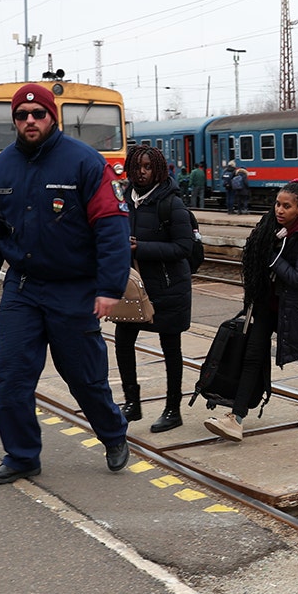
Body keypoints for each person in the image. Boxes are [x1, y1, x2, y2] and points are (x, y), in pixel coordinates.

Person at [0, 84, 130, 485]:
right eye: (22, 116)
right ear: (15, 121)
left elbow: (111, 228)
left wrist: (109, 288)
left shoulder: (85, 163)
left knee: (84, 377)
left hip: (74, 289)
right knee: (9, 376)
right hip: (23, 288)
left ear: (52, 117)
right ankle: (21, 456)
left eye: (38, 114)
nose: (30, 121)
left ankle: (113, 434)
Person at [204, 179, 298, 440]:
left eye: (286, 206)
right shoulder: (274, 230)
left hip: (296, 309)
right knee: (253, 356)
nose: (279, 210)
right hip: (269, 305)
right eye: (277, 204)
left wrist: (273, 260)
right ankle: (236, 417)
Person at [115, 145, 195, 432]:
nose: (142, 172)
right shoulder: (125, 198)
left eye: (148, 167)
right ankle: (131, 403)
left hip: (168, 287)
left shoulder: (171, 203)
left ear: (158, 169)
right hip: (133, 288)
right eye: (137, 167)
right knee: (123, 341)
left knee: (170, 348)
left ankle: (173, 409)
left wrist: (142, 247)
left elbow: (184, 247)